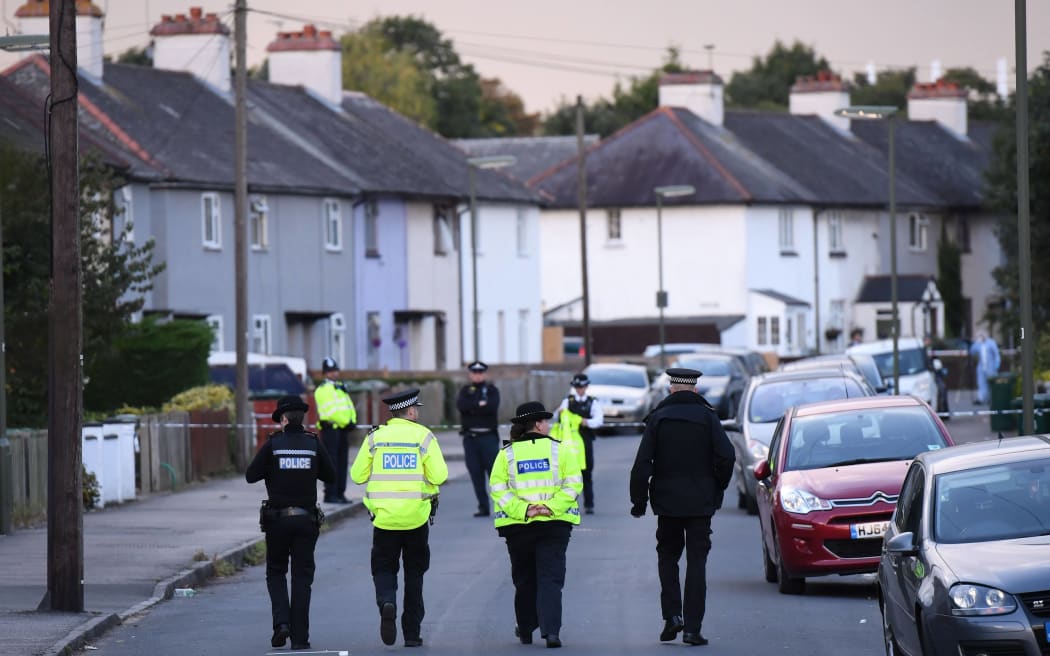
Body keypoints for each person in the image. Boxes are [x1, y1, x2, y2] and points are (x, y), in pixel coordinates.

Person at [629, 368, 735, 647]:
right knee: (697, 563)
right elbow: (727, 456)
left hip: (667, 503)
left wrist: (638, 502)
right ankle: (693, 629)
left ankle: (672, 616)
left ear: (670, 390)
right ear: (695, 390)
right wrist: (717, 486)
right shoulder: (708, 417)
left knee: (667, 557)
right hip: (700, 502)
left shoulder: (659, 418)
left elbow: (642, 465)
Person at [350, 388, 448, 648]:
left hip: (384, 519)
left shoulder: (375, 438)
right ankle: (412, 634)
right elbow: (439, 476)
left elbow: (357, 475)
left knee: (384, 568)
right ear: (412, 411)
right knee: (415, 574)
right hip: (416, 518)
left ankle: (387, 601)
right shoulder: (424, 437)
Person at [489, 401, 583, 649]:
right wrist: (550, 507)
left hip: (518, 526)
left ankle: (526, 629)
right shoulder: (560, 450)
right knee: (550, 579)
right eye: (547, 421)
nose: (549, 425)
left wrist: (524, 509)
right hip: (554, 525)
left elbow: (497, 488)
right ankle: (551, 632)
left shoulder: (506, 454)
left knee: (524, 579)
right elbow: (573, 484)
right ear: (539, 424)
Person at [246, 394, 335, 651]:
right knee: (302, 578)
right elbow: (330, 475)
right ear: (301, 418)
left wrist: (272, 468)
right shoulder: (312, 443)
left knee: (276, 572)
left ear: (283, 419)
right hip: (306, 521)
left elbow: (251, 475)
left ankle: (281, 624)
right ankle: (300, 639)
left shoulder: (273, 445)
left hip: (277, 522)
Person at [553, 373, 603, 514]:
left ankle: (589, 504)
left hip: (585, 440)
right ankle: (569, 503)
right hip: (569, 441)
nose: (579, 389)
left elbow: (599, 420)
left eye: (581, 387)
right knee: (567, 473)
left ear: (586, 387)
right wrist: (560, 412)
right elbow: (557, 416)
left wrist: (585, 422)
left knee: (586, 473)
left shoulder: (592, 402)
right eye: (577, 387)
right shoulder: (568, 401)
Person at [457, 361, 501, 517]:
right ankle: (483, 507)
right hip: (470, 439)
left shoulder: (491, 390)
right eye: (474, 373)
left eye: (480, 372)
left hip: (488, 437)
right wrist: (478, 405)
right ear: (470, 374)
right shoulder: (465, 391)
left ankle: (502, 505)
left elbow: (491, 407)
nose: (477, 375)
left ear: (484, 374)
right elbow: (462, 406)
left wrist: (473, 408)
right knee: (476, 473)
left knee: (495, 474)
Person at [315, 357, 357, 504]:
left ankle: (340, 493)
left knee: (343, 463)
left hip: (342, 430)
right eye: (330, 371)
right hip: (330, 430)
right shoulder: (322, 390)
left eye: (335, 370)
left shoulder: (340, 387)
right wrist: (346, 422)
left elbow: (349, 406)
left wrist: (353, 421)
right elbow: (331, 411)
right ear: (324, 373)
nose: (333, 374)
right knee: (331, 464)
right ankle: (330, 494)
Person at [969, 333, 1001, 405]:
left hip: (991, 367)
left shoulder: (991, 343)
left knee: (991, 384)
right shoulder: (978, 344)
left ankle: (992, 398)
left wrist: (997, 365)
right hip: (981, 368)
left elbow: (996, 354)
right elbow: (972, 352)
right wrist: (976, 343)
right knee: (981, 383)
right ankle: (981, 398)